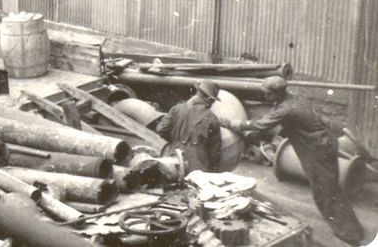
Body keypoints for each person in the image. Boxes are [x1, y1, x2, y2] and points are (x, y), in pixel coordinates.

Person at [223, 76, 364, 246]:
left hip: (318, 152)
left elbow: (261, 124)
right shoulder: (295, 98)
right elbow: (286, 125)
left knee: (325, 194)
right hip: (324, 145)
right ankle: (354, 229)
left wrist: (233, 123)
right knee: (331, 190)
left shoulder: (286, 109)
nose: (265, 97)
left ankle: (349, 236)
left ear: (276, 93)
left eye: (268, 94)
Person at [156, 80, 222, 173]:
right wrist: (213, 171)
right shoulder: (212, 118)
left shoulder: (176, 109)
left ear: (197, 93)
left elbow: (161, 129)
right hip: (198, 167)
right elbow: (214, 152)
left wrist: (176, 140)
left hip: (173, 161)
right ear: (209, 99)